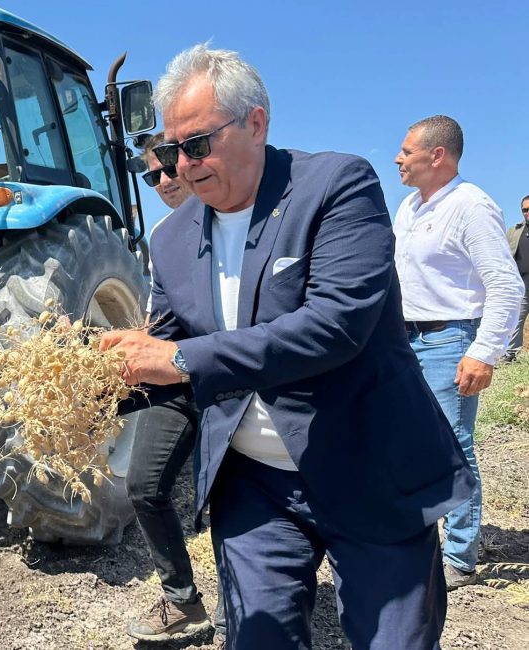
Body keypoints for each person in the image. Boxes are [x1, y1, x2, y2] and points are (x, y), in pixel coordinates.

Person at [100, 44, 474, 649]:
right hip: (255, 487)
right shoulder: (171, 242)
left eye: (198, 145)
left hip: (365, 463)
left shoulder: (335, 185)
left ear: (256, 123)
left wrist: (175, 358)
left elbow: (336, 324)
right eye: (171, 152)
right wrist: (83, 383)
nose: (184, 166)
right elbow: (170, 349)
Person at [392, 116, 523, 590]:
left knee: (451, 445)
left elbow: (506, 284)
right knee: (411, 441)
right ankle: (421, 536)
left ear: (437, 155)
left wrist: (484, 352)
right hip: (407, 339)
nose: (398, 158)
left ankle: (461, 556)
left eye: (407, 151)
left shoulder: (472, 207)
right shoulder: (409, 207)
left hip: (451, 340)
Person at [123, 132, 211, 643]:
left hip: (228, 378)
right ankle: (182, 600)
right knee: (144, 486)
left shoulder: (234, 221)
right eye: (150, 176)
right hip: (176, 378)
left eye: (167, 170)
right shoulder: (162, 235)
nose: (160, 182)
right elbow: (161, 318)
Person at [503, 194, 529, 361]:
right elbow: (504, 256)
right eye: (524, 210)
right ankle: (510, 354)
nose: (527, 213)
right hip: (522, 281)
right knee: (517, 317)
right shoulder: (514, 231)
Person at [141, 132, 193, 213]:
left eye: (172, 170)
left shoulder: (219, 210)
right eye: (156, 176)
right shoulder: (165, 225)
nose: (164, 181)